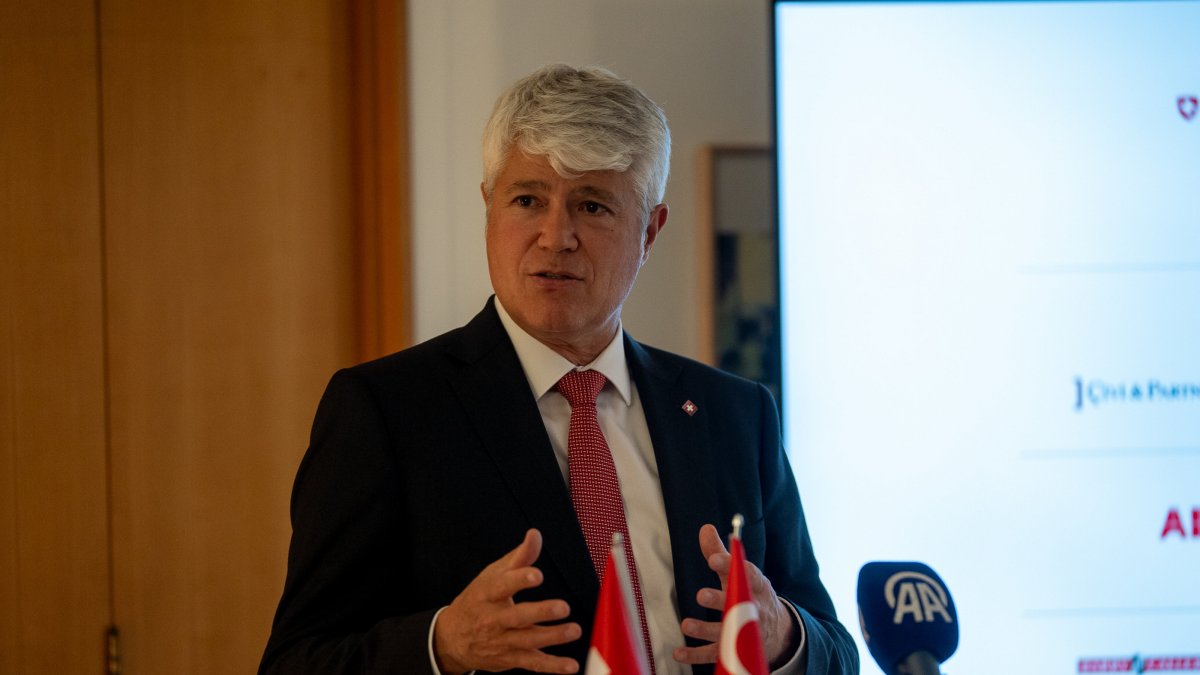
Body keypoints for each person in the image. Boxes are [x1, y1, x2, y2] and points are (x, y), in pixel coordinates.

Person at [259, 64, 857, 675]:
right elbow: (296, 662)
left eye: (592, 206)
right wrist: (443, 645)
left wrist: (786, 636)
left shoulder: (735, 414)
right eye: (527, 201)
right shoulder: (388, 411)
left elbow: (835, 648)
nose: (555, 237)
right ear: (489, 209)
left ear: (650, 232)